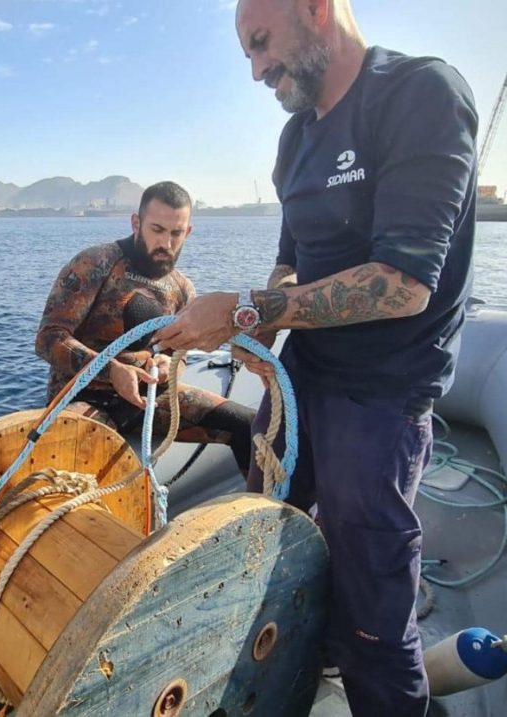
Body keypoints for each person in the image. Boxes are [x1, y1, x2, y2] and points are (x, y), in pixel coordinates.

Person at [152, 1, 477, 715]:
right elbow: (290, 268)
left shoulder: (421, 94)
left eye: (261, 43)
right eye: (245, 52)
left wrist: (243, 310)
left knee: (375, 617)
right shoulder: (294, 139)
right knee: (268, 529)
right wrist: (249, 337)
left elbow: (403, 284)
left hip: (381, 397)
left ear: (316, 10)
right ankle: (303, 656)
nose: (255, 69)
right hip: (300, 382)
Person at [35, 181, 255, 476]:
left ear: (187, 232)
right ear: (136, 223)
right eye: (157, 230)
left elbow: (179, 353)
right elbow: (49, 338)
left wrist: (170, 366)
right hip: (85, 398)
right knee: (75, 471)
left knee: (253, 428)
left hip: (149, 399)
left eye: (176, 233)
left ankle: (264, 513)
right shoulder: (95, 263)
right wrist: (111, 370)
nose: (166, 243)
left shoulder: (182, 289)